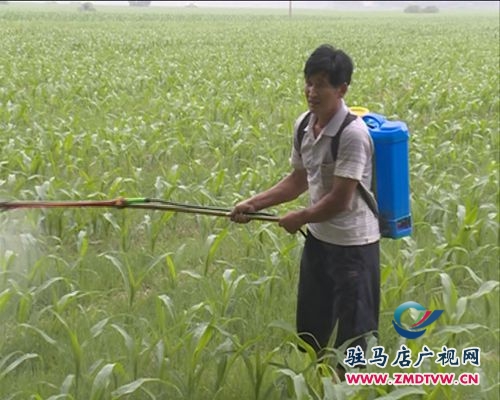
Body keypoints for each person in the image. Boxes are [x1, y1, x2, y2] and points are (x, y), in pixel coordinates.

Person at [230, 44, 380, 375]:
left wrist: (301, 216)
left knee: (356, 337)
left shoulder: (353, 135)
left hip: (354, 248)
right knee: (312, 327)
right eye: (309, 82)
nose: (312, 92)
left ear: (341, 89)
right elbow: (298, 180)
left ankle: (352, 391)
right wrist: (254, 203)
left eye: (322, 84)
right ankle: (319, 383)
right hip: (319, 241)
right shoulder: (303, 125)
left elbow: (341, 199)